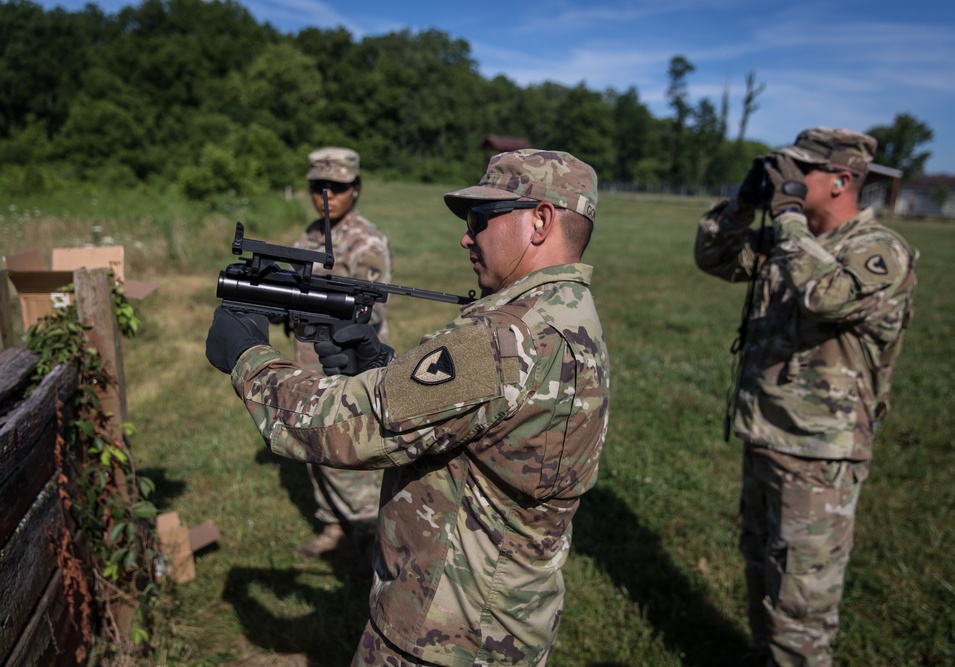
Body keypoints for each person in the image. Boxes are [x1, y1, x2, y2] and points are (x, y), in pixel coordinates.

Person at [206, 149, 610, 666]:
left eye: (480, 218)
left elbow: (341, 425)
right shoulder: (571, 317)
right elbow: (484, 422)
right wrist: (383, 365)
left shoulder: (504, 339)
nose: (467, 236)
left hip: (441, 635)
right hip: (506, 623)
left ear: (540, 220)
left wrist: (249, 358)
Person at [694, 128, 918, 666]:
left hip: (820, 455)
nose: (785, 180)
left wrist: (789, 214)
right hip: (765, 435)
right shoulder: (786, 242)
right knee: (760, 572)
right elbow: (714, 254)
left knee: (801, 607)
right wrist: (744, 203)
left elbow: (826, 297)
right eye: (781, 170)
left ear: (842, 181)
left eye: (799, 171)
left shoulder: (879, 250)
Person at [288, 147, 394, 564]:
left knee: (349, 451)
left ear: (357, 189)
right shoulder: (309, 237)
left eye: (337, 187)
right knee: (314, 446)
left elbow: (373, 308)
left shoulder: (366, 241)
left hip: (350, 367)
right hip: (310, 363)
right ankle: (334, 527)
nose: (326, 195)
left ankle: (370, 539)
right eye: (318, 187)